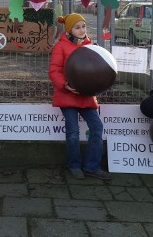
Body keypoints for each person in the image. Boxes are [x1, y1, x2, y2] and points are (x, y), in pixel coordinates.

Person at [48, 13, 111, 181]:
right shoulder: (60, 47)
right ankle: (74, 165)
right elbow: (54, 71)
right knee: (73, 132)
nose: (82, 30)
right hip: (68, 96)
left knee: (97, 128)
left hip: (87, 97)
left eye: (83, 26)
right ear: (69, 30)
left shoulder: (91, 46)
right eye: (77, 27)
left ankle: (92, 167)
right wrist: (65, 85)